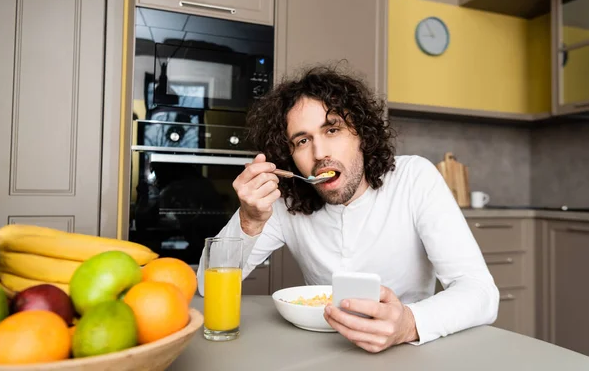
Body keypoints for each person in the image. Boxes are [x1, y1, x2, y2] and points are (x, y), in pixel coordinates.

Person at [196, 64, 499, 353]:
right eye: (302, 140)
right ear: (290, 157)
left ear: (362, 135)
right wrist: (249, 221)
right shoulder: (282, 202)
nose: (320, 153)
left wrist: (408, 323)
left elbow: (480, 292)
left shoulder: (414, 178)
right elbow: (208, 287)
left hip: (410, 352)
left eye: (332, 130)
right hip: (319, 351)